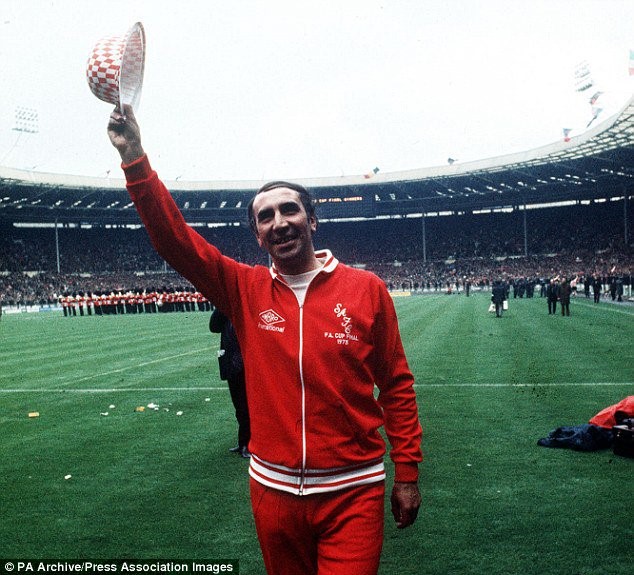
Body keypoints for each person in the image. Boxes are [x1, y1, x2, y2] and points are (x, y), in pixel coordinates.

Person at [107, 105, 422, 575]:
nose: (279, 221)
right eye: (266, 216)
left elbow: (396, 386)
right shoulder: (243, 288)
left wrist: (409, 474)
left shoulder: (366, 288)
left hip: (352, 490)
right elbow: (174, 240)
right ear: (258, 236)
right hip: (272, 493)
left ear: (312, 221)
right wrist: (134, 156)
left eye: (290, 209)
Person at [210, 307, 251, 458]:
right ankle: (243, 442)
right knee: (239, 405)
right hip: (232, 363)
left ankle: (247, 443)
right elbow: (213, 327)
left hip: (245, 363)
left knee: (245, 406)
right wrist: (220, 306)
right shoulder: (226, 310)